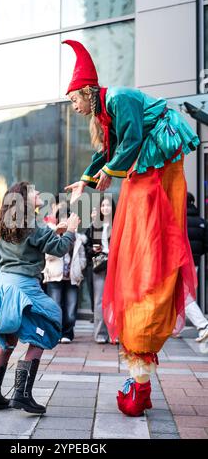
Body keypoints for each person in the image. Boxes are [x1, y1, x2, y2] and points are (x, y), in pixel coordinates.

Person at [63, 39, 199, 416]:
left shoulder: (119, 99)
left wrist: (107, 173)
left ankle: (140, 378)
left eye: (74, 98)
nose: (73, 106)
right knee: (141, 251)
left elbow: (133, 141)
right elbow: (107, 153)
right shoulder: (106, 113)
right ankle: (142, 378)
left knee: (147, 250)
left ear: (87, 91)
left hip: (160, 159)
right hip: (149, 168)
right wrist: (86, 180)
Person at [0, 181, 79, 414]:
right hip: (25, 287)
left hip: (4, 286)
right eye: (34, 190)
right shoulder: (34, 226)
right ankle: (22, 395)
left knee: (8, 338)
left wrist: (56, 231)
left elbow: (30, 242)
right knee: (48, 325)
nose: (38, 192)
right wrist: (72, 230)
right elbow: (58, 249)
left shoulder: (6, 225)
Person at [43, 207, 86, 343]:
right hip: (55, 275)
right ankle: (56, 333)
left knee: (71, 307)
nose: (64, 221)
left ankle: (67, 333)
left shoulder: (77, 237)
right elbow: (46, 255)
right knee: (55, 306)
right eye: (61, 218)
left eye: (66, 218)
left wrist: (80, 267)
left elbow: (82, 256)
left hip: (72, 276)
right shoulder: (52, 234)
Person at [85, 196, 115, 343]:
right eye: (102, 205)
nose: (105, 208)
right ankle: (100, 334)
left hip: (116, 265)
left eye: (108, 205)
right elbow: (87, 247)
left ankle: (114, 334)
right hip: (99, 265)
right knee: (99, 301)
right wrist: (94, 250)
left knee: (115, 300)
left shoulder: (118, 224)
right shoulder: (95, 226)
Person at [185, 192, 208, 342]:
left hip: (181, 262)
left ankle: (203, 325)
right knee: (185, 293)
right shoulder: (202, 222)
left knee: (184, 296)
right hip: (195, 262)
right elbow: (206, 244)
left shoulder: (180, 220)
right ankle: (175, 329)